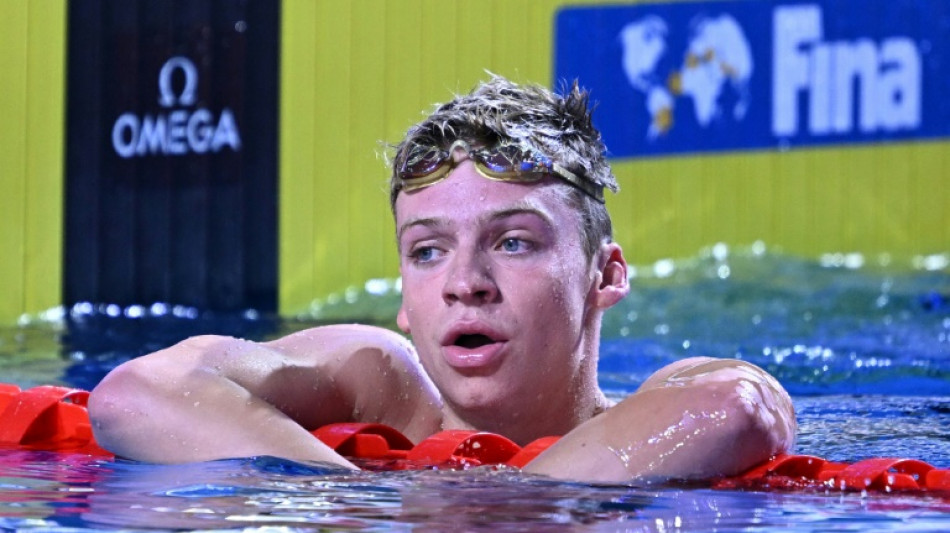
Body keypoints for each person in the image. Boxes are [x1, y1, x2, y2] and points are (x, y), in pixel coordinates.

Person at [88, 76, 796, 483]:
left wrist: (502, 503)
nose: (466, 283)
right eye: (428, 251)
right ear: (403, 294)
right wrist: (350, 495)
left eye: (513, 241)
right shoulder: (383, 383)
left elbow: (740, 406)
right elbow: (133, 394)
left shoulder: (657, 400)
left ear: (604, 274)